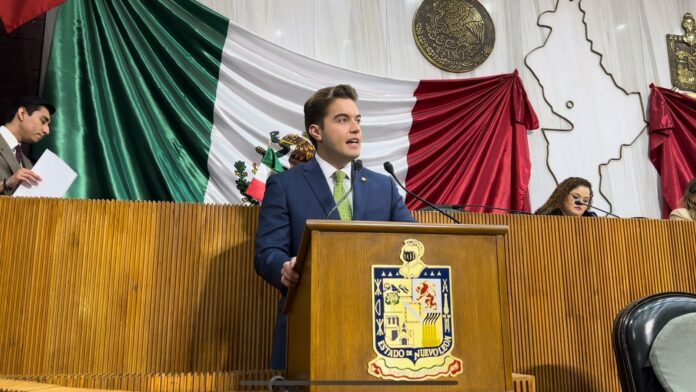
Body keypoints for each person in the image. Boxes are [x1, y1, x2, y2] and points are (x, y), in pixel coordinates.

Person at [254, 84, 414, 369]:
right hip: (310, 323)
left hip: (380, 331)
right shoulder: (285, 185)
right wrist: (285, 268)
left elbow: (414, 244)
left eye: (358, 120)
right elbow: (267, 252)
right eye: (342, 120)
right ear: (316, 132)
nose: (355, 129)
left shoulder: (383, 186)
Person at [1, 96, 55, 195]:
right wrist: (6, 184)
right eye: (43, 121)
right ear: (22, 113)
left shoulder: (27, 163)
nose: (47, 131)